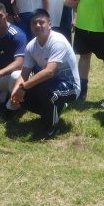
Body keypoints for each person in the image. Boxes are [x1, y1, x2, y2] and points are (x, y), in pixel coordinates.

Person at [9, 9, 80, 138]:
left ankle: (51, 126)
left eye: (41, 22)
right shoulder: (31, 46)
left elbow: (49, 72)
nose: (37, 25)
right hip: (49, 84)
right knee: (23, 97)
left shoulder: (57, 41)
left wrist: (23, 87)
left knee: (49, 94)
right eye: (34, 23)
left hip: (70, 86)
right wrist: (15, 93)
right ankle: (51, 111)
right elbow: (24, 74)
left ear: (49, 24)